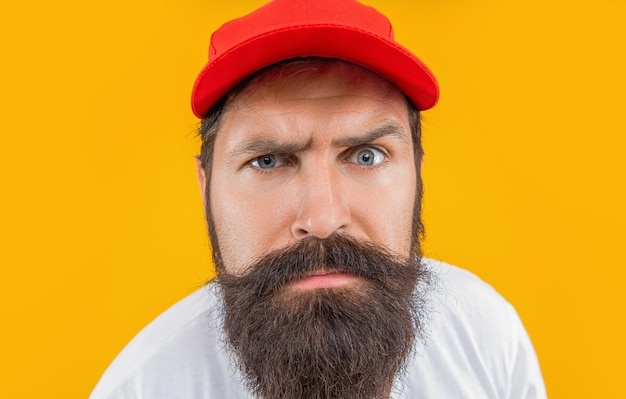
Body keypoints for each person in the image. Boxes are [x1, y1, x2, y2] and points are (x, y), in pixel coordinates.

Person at [90, 0, 546, 398]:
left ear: (418, 177)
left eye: (367, 156)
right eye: (268, 161)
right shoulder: (141, 387)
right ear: (205, 187)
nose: (323, 219)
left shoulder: (486, 336)